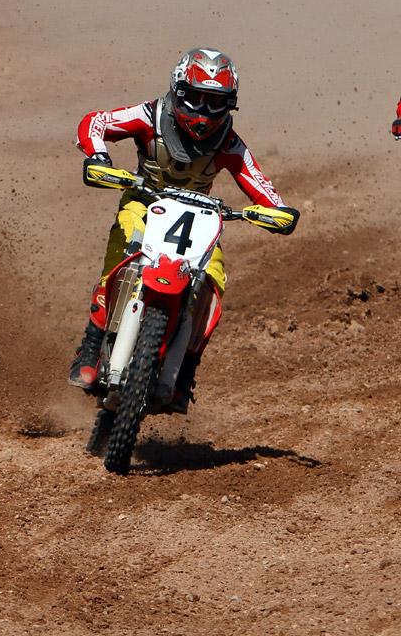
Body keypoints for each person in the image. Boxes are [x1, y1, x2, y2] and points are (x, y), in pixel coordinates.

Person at [67, 48, 299, 409]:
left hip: (199, 220)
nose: (204, 113)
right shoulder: (149, 115)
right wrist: (98, 156)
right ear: (178, 89)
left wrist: (277, 211)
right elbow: (95, 122)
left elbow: (260, 183)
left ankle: (186, 370)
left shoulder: (229, 143)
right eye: (196, 98)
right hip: (144, 201)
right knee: (127, 250)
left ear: (230, 105)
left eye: (215, 102)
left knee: (214, 278)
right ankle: (91, 346)